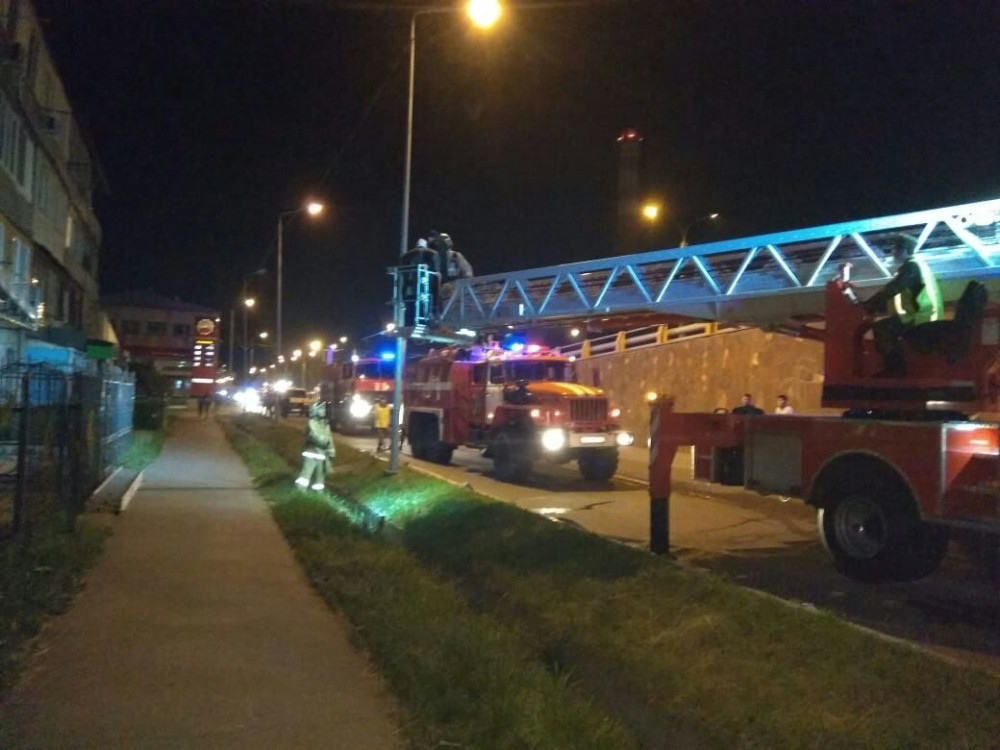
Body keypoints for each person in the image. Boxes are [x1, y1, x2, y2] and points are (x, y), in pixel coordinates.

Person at [861, 234, 942, 377]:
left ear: (905, 250)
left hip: (922, 316)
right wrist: (877, 306)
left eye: (896, 248)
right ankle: (895, 369)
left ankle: (895, 370)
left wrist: (869, 305)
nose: (893, 252)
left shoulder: (911, 266)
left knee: (883, 328)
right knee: (888, 325)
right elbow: (897, 292)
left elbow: (894, 288)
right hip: (920, 314)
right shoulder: (915, 265)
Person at [295, 400, 335, 492]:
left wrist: (331, 452)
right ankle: (300, 490)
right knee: (306, 473)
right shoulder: (312, 423)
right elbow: (315, 436)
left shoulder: (325, 424)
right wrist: (325, 443)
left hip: (321, 454)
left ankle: (319, 493)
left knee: (320, 477)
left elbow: (329, 438)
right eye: (321, 409)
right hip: (312, 453)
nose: (323, 411)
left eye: (323, 409)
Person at [399, 238, 440, 325]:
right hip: (424, 288)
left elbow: (403, 274)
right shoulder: (431, 254)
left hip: (410, 290)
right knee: (423, 309)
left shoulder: (408, 256)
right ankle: (426, 319)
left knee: (410, 311)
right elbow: (436, 273)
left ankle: (410, 323)